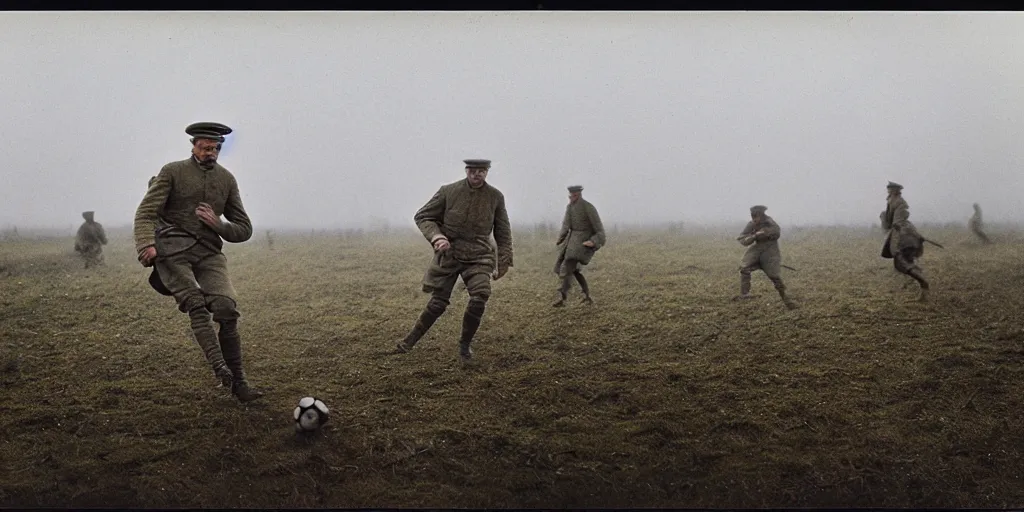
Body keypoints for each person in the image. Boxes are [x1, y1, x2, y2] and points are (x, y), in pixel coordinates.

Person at [133, 121, 262, 402]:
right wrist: (147, 246)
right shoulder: (172, 172)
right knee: (195, 303)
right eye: (205, 148)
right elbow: (145, 213)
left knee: (227, 308)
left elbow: (244, 228)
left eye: (215, 148)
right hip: (172, 251)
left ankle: (240, 382)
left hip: (208, 252)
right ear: (193, 146)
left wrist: (218, 224)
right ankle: (220, 368)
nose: (210, 153)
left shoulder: (226, 180)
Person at [395, 159, 514, 361]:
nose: (477, 174)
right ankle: (409, 341)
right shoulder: (448, 191)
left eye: (482, 171)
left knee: (480, 295)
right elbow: (423, 216)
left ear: (487, 172)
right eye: (473, 170)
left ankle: (465, 346)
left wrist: (504, 260)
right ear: (466, 171)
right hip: (449, 253)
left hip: (479, 255)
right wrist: (437, 237)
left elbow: (503, 231)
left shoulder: (495, 197)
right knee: (438, 303)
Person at [734, 205, 797, 310]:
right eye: (752, 216)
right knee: (744, 268)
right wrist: (754, 236)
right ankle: (745, 294)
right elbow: (742, 239)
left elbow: (777, 233)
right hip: (757, 251)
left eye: (756, 216)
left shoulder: (770, 222)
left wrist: (765, 232)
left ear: (761, 215)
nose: (754, 219)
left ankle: (787, 300)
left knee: (774, 276)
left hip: (770, 252)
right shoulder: (752, 225)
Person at [553, 185, 606, 307]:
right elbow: (566, 226)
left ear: (578, 195)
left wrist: (593, 241)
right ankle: (586, 296)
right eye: (570, 196)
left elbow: (600, 232)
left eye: (573, 195)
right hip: (571, 243)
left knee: (566, 268)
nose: (571, 198)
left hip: (583, 244)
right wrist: (560, 239)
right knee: (574, 270)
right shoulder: (570, 207)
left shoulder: (588, 208)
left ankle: (561, 297)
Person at [879, 181, 929, 301]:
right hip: (905, 234)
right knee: (904, 264)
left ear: (895, 191)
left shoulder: (899, 203)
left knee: (902, 264)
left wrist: (895, 245)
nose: (888, 192)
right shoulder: (893, 201)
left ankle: (923, 284)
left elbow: (897, 222)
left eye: (890, 190)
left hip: (904, 237)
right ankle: (919, 286)